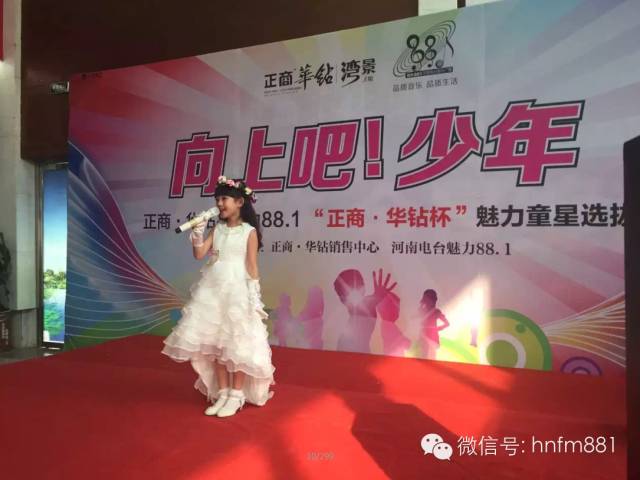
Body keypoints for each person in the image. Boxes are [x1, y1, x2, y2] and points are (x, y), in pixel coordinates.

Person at [161, 176, 275, 417]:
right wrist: (197, 233)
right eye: (217, 200)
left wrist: (254, 297)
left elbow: (252, 265)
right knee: (217, 342)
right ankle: (222, 392)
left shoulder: (249, 232)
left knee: (237, 342)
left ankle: (236, 394)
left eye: (224, 199)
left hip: (237, 290)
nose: (219, 204)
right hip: (213, 289)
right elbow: (199, 254)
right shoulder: (218, 228)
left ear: (239, 202)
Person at [419, 289, 449, 360]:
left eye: (427, 299)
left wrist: (437, 329)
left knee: (431, 356)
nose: (426, 301)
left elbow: (447, 323)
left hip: (432, 337)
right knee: (423, 356)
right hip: (424, 336)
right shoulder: (423, 310)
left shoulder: (436, 312)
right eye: (425, 299)